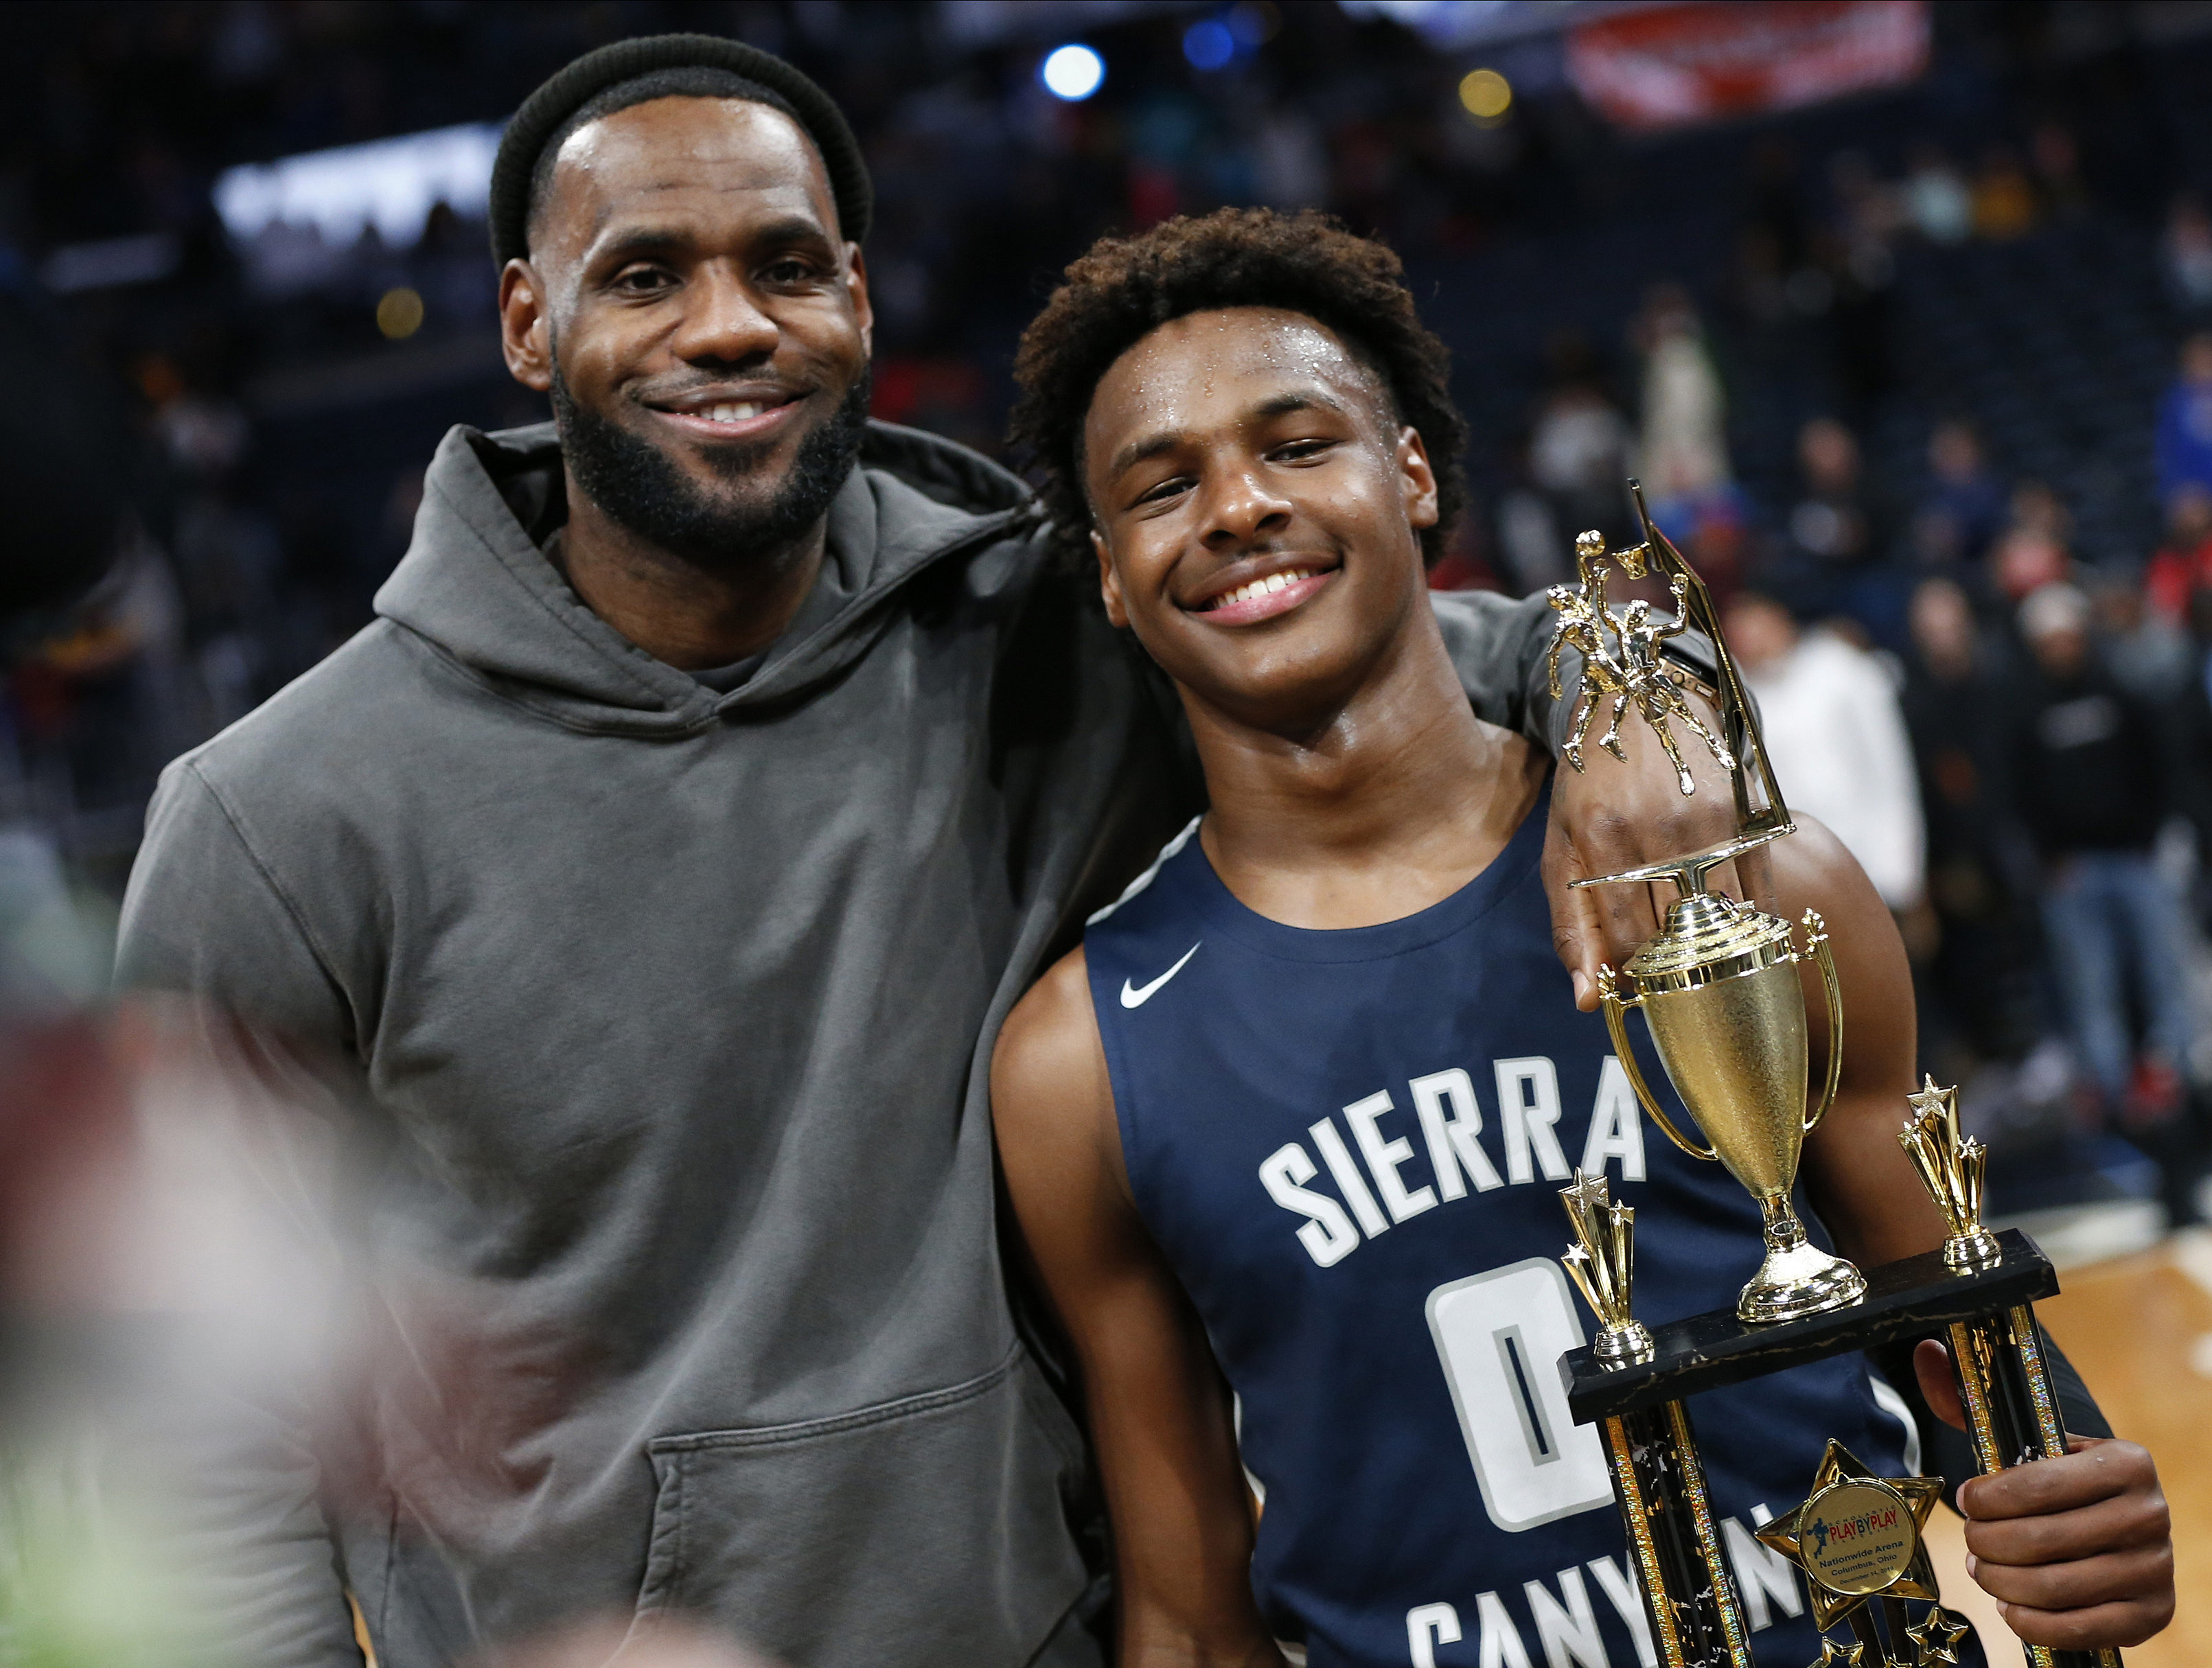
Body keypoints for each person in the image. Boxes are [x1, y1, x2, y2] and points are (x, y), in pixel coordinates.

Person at [111, 35, 1703, 1668]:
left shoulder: (1037, 635)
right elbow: (192, 1423)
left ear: (858, 300)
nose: (728, 326)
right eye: (645, 273)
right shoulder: (283, 818)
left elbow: (1459, 650)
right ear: (529, 320)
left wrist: (1640, 695)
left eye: (783, 267)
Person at [991, 208, 2174, 1668]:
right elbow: (1185, 1609)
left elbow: (1965, 1323)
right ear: (1110, 573)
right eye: (1163, 486)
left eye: (1297, 444)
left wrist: (2078, 1495)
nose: (1237, 506)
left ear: (1412, 474)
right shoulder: (1077, 1060)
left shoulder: (1761, 890)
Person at [2003, 583, 2194, 1125]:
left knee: (2162, 970)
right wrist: (2047, 856)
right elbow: (2017, 791)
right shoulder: (2024, 711)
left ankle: (2174, 1077)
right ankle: (2106, 1091)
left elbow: (2160, 764)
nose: (2060, 648)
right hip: (2071, 869)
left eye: (2067, 636)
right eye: (2049, 640)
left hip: (2135, 857)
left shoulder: (2121, 692)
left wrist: (2151, 834)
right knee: (2091, 985)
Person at [1726, 590, 1925, 913]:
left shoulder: (1838, 668)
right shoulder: (1743, 699)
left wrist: (1901, 867)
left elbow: (1889, 768)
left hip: (1871, 864)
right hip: (1800, 881)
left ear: (1780, 618)